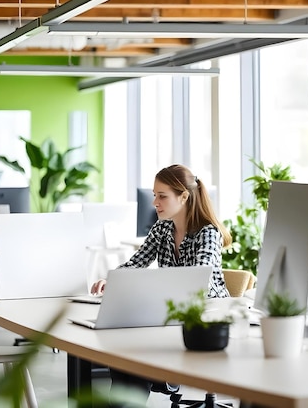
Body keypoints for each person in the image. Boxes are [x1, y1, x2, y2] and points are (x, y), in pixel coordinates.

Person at [90, 164, 231, 406]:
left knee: (134, 358)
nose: (155, 202)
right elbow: (137, 263)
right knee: (124, 356)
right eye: (154, 195)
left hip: (205, 320)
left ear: (184, 197)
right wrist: (112, 280)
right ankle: (156, 377)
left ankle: (161, 374)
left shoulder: (208, 233)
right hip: (172, 315)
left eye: (162, 196)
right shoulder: (163, 228)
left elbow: (200, 282)